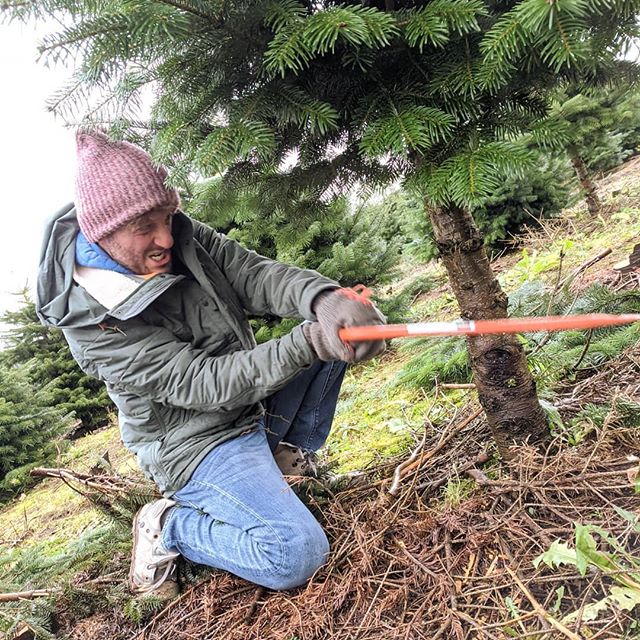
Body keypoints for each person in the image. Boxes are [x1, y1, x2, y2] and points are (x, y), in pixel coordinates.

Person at [36, 130, 386, 599]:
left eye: (167, 217)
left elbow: (252, 273)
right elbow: (203, 384)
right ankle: (170, 526)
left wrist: (323, 298)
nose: (165, 236)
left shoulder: (180, 234)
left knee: (336, 338)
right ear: (103, 233)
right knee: (292, 553)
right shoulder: (91, 321)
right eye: (145, 227)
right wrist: (307, 341)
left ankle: (283, 459)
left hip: (248, 405)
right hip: (196, 442)